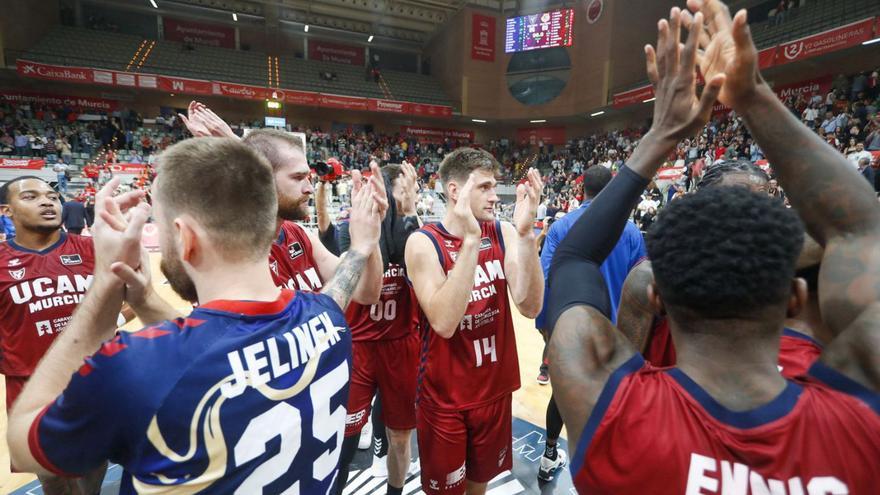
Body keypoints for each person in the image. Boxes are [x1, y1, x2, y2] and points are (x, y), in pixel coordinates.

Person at [548, 3, 880, 492]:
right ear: (795, 300)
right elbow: (860, 228)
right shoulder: (859, 418)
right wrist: (752, 98)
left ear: (659, 295)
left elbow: (574, 257)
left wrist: (661, 135)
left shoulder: (609, 409)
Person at [7, 137, 384, 492]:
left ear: (184, 237)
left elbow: (23, 442)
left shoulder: (134, 365)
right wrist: (364, 245)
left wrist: (104, 288)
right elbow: (340, 287)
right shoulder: (329, 318)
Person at [405, 149, 544, 495]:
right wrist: (469, 241)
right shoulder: (423, 243)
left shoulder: (503, 232)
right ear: (456, 191)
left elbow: (530, 306)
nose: (496, 196)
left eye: (495, 187)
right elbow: (444, 323)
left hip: (494, 390)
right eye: (485, 187)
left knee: (478, 485)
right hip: (445, 397)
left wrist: (526, 236)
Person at [181, 103, 385, 304]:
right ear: (260, 178)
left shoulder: (299, 234)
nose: (309, 189)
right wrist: (359, 247)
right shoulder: (228, 254)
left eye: (308, 178)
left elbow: (367, 294)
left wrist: (371, 233)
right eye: (297, 178)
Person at [532, 165, 646, 482]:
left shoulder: (560, 227)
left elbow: (544, 280)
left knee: (562, 393)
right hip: (617, 334)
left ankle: (549, 455)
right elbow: (641, 283)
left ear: (582, 190)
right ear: (610, 190)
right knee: (615, 402)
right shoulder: (631, 231)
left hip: (570, 330)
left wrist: (546, 329)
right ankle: (610, 470)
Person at [0, 176, 107, 494]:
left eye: (52, 196)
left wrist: (104, 324)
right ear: (7, 211)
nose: (47, 202)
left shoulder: (91, 249)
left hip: (91, 376)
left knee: (94, 459)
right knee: (48, 471)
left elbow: (127, 295)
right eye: (31, 197)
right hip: (29, 384)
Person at [335, 163, 422, 495]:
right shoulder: (353, 228)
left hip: (401, 344)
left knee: (400, 437)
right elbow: (364, 287)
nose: (403, 195)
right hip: (360, 343)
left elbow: (420, 268)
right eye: (399, 189)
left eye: (408, 189)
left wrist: (411, 208)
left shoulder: (415, 229)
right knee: (345, 436)